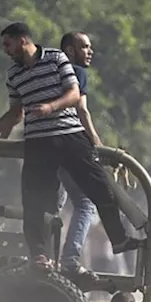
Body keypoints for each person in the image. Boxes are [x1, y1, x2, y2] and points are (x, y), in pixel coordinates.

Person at [0, 23, 143, 270]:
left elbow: (74, 95)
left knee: (101, 190)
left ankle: (119, 239)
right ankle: (39, 255)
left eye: (8, 44)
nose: (5, 50)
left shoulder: (55, 58)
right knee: (34, 201)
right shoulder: (14, 75)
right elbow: (15, 114)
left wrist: (50, 107)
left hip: (71, 137)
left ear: (22, 41)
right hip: (38, 143)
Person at [53, 32, 100, 282]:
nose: (90, 52)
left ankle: (45, 257)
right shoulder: (76, 72)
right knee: (85, 203)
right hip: (70, 146)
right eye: (84, 47)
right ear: (70, 50)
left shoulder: (50, 71)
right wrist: (96, 141)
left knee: (54, 207)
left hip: (46, 145)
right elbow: (82, 109)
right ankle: (69, 260)